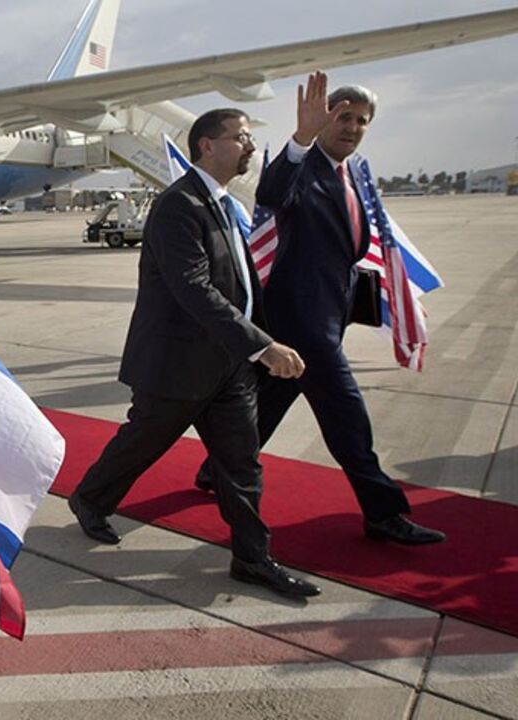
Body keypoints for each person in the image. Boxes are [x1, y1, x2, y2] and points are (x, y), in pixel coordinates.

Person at [68, 108, 320, 598]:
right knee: (143, 441)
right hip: (177, 363)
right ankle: (90, 499)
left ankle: (252, 558)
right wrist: (263, 346)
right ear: (207, 145)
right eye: (241, 137)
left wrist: (255, 343)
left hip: (229, 366)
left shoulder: (224, 204)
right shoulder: (178, 206)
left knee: (241, 464)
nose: (249, 145)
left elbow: (239, 284)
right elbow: (194, 289)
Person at [194, 73, 445, 546]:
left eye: (361, 121)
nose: (351, 127)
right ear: (323, 118)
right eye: (343, 117)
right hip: (303, 323)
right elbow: (271, 193)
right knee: (348, 416)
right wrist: (301, 138)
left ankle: (216, 469)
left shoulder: (354, 172)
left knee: (269, 403)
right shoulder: (303, 167)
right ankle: (383, 513)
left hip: (329, 313)